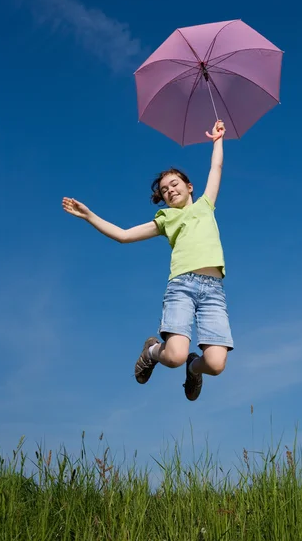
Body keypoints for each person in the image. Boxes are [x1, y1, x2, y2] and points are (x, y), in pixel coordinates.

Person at [62, 120, 233, 401]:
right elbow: (124, 235)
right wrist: (89, 215)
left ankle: (194, 367)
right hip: (182, 287)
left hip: (213, 290)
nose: (170, 190)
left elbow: (216, 169)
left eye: (175, 184)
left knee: (215, 363)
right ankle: (152, 351)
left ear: (190, 187)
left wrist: (217, 140)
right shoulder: (165, 219)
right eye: (165, 190)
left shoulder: (205, 205)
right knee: (174, 355)